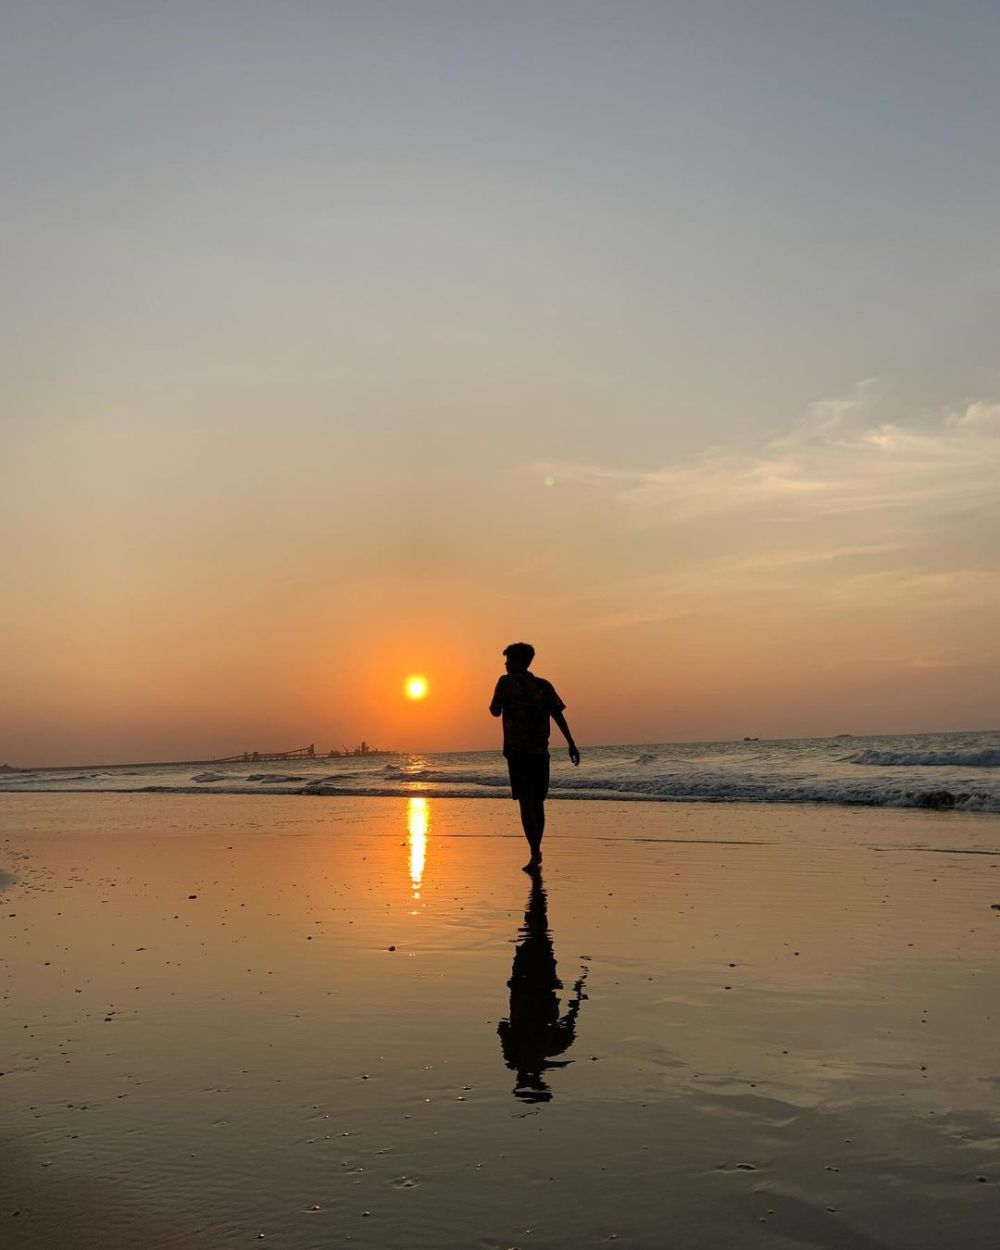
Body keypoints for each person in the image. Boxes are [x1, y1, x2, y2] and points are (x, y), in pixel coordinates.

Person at [489, 641, 580, 871]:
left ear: (517, 662)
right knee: (537, 803)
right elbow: (558, 715)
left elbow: (494, 710)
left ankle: (534, 852)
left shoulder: (504, 683)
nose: (505, 665)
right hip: (540, 752)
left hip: (517, 753)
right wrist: (571, 743)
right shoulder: (544, 685)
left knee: (526, 803)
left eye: (508, 661)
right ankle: (535, 850)